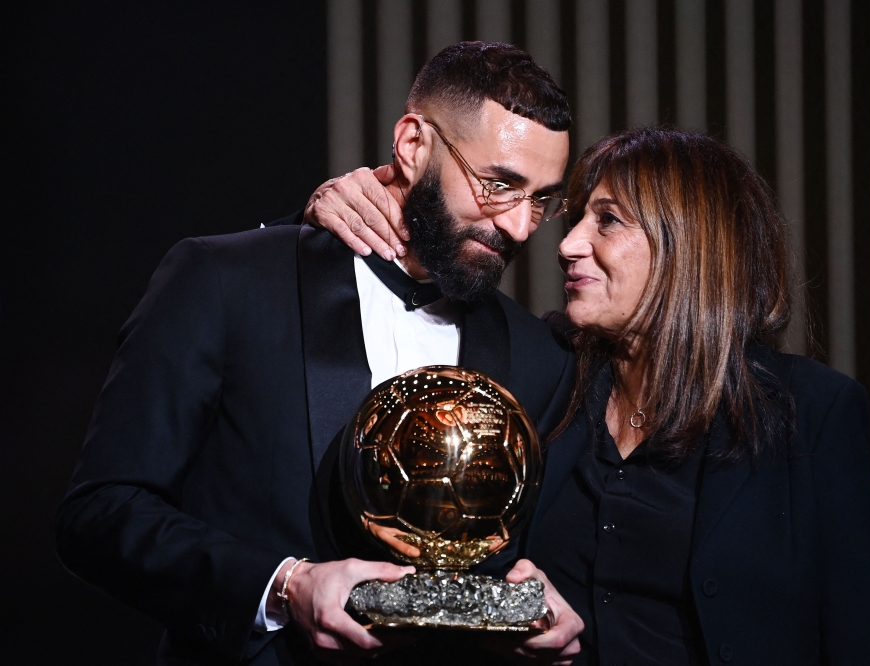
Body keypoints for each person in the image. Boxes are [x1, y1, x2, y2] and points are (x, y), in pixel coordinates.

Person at [55, 42, 584, 665]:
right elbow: (101, 514)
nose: (521, 226)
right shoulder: (227, 283)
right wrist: (284, 586)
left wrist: (544, 606)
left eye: (542, 200)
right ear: (413, 145)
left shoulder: (541, 356)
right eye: (499, 185)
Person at [311, 126, 870, 664]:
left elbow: (864, 639)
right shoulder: (547, 375)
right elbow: (424, 275)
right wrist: (326, 209)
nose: (567, 244)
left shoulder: (811, 412)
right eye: (575, 219)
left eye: (608, 220)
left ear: (688, 243)